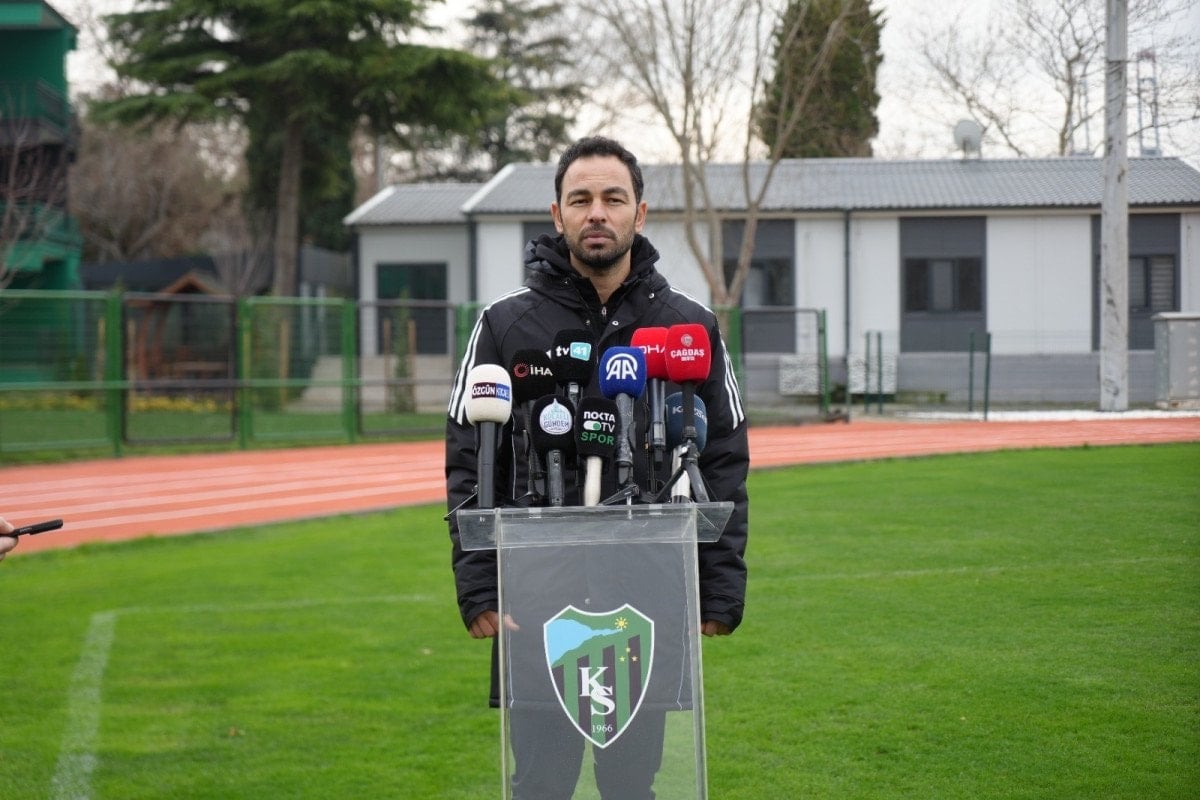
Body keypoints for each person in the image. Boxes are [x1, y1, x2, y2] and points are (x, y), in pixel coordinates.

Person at [445, 135, 749, 799]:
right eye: (580, 199)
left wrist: (719, 587)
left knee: (632, 785)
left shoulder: (689, 325)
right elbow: (469, 458)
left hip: (648, 594)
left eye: (614, 198)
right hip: (537, 599)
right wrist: (480, 585)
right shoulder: (504, 325)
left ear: (640, 212)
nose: (597, 213)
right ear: (557, 214)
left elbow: (724, 458)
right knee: (541, 785)